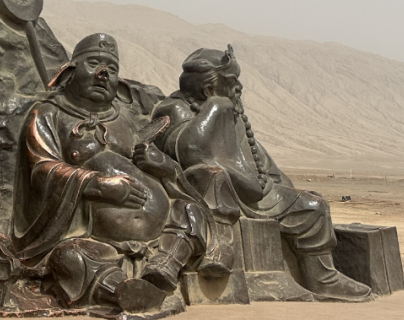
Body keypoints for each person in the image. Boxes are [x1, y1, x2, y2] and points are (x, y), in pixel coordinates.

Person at [153, 46, 371, 301]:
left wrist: (282, 188)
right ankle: (219, 250)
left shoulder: (234, 115)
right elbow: (191, 151)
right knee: (211, 174)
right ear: (209, 89)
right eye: (232, 81)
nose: (239, 88)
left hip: (253, 193)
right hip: (209, 194)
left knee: (313, 205)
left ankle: (322, 278)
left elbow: (260, 162)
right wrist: (216, 107)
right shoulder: (176, 108)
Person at [11, 34, 210, 313]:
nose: (103, 73)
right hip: (95, 241)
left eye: (112, 68)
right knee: (68, 258)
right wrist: (98, 185)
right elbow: (42, 168)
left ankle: (165, 267)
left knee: (191, 211)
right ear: (70, 71)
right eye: (94, 63)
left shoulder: (125, 117)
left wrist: (163, 166)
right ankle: (122, 290)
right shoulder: (47, 114)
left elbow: (151, 162)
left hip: (156, 236)